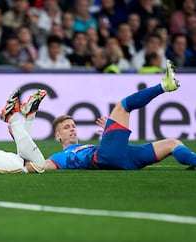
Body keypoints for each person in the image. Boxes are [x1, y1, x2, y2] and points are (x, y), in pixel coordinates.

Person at [43, 60, 196, 170]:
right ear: (58, 136)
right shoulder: (59, 156)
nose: (72, 129)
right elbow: (42, 166)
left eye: (73, 126)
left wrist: (109, 134)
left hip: (124, 157)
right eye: (66, 127)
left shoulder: (85, 146)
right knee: (122, 106)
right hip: (105, 157)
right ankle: (164, 85)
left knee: (173, 144)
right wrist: (22, 166)